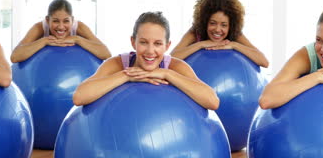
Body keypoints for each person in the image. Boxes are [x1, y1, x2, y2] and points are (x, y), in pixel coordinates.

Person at [72, 11, 220, 110]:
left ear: (167, 46)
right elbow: (79, 97)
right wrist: (127, 75)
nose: (150, 51)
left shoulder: (175, 66)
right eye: (143, 42)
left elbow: (212, 101)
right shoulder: (118, 64)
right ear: (133, 42)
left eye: (157, 44)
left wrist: (167, 74)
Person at [171, 0, 269, 67]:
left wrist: (234, 45)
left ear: (230, 26)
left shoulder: (235, 34)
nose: (218, 29)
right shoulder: (195, 32)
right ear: (205, 22)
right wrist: (202, 44)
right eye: (213, 23)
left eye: (224, 25)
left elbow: (264, 62)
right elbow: (171, 58)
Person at [10, 0, 111, 63]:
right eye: (55, 21)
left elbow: (106, 54)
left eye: (66, 21)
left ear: (72, 20)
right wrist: (44, 41)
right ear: (47, 20)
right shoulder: (39, 28)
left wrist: (77, 39)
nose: (61, 27)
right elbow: (15, 57)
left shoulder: (79, 27)